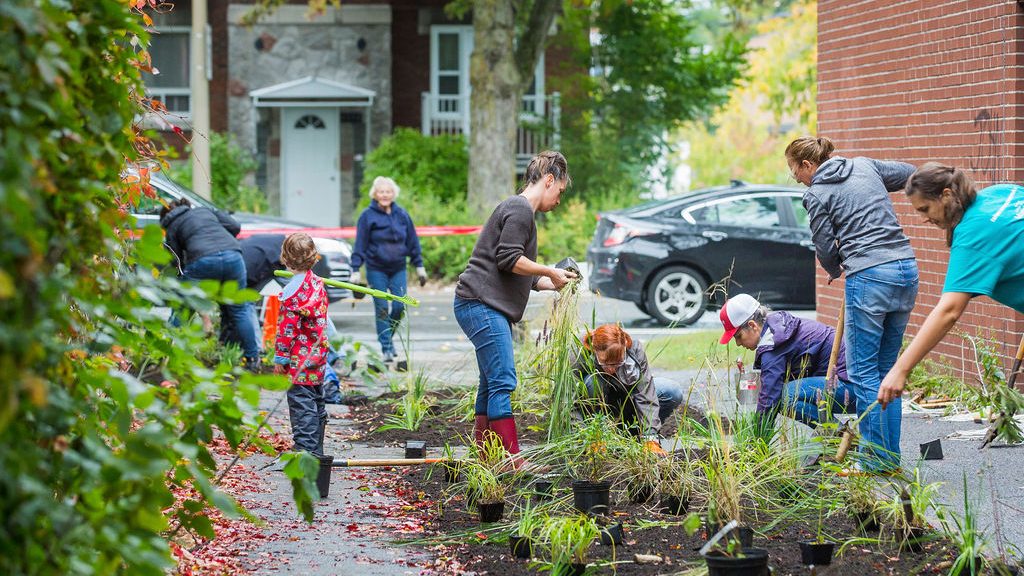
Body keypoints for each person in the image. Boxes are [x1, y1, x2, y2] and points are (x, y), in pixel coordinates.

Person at [785, 136, 918, 472]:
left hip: (870, 277)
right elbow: (910, 174)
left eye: (794, 171)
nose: (797, 178)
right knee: (889, 370)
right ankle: (888, 458)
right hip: (906, 269)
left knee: (862, 373)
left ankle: (874, 460)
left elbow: (825, 246)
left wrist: (835, 269)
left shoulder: (816, 193)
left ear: (807, 165)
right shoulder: (864, 165)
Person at [454, 150, 577, 470]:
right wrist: (549, 270)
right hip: (481, 305)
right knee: (504, 380)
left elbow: (516, 271)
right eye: (561, 191)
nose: (559, 200)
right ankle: (511, 460)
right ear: (550, 180)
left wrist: (552, 282)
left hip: (478, 303)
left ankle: (486, 457)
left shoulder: (517, 209)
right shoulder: (520, 209)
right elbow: (508, 259)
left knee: (491, 380)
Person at [879, 163, 1024, 406]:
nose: (925, 219)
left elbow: (948, 311)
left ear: (946, 195)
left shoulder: (972, 236)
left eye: (925, 209)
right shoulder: (1000, 193)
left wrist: (900, 369)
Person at [718, 293, 857, 433]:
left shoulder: (772, 344)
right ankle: (837, 434)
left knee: (784, 397)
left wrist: (757, 440)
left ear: (752, 325)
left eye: (738, 336)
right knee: (785, 393)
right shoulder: (779, 326)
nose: (737, 343)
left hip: (851, 388)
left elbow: (770, 398)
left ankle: (837, 434)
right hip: (855, 385)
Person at [160, 197, 261, 367]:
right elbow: (235, 226)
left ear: (166, 216)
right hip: (234, 256)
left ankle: (168, 356)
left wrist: (182, 281)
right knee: (240, 309)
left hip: (202, 260)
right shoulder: (204, 211)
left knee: (181, 309)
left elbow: (175, 261)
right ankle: (252, 358)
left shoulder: (173, 226)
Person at [571, 324, 682, 455]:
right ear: (595, 352)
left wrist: (650, 438)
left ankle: (634, 435)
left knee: (672, 391)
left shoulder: (633, 349)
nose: (612, 369)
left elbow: (645, 394)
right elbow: (568, 402)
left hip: (626, 402)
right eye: (605, 363)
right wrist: (587, 437)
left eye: (618, 362)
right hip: (596, 407)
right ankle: (600, 436)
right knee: (592, 382)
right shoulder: (578, 353)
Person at [350, 176, 425, 364]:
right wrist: (355, 269)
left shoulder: (402, 214)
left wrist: (419, 266)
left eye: (388, 191)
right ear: (375, 194)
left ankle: (387, 339)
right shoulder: (367, 216)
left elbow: (412, 242)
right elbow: (360, 243)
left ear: (394, 194)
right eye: (381, 191)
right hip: (376, 269)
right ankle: (386, 349)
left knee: (400, 306)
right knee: (382, 308)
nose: (385, 195)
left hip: (398, 268)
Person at [273, 233, 331, 456]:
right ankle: (316, 448)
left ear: (285, 259)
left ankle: (306, 451)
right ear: (314, 258)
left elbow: (287, 331)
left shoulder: (290, 295)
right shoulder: (317, 284)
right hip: (318, 355)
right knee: (316, 400)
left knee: (301, 405)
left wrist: (281, 358)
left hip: (299, 360)